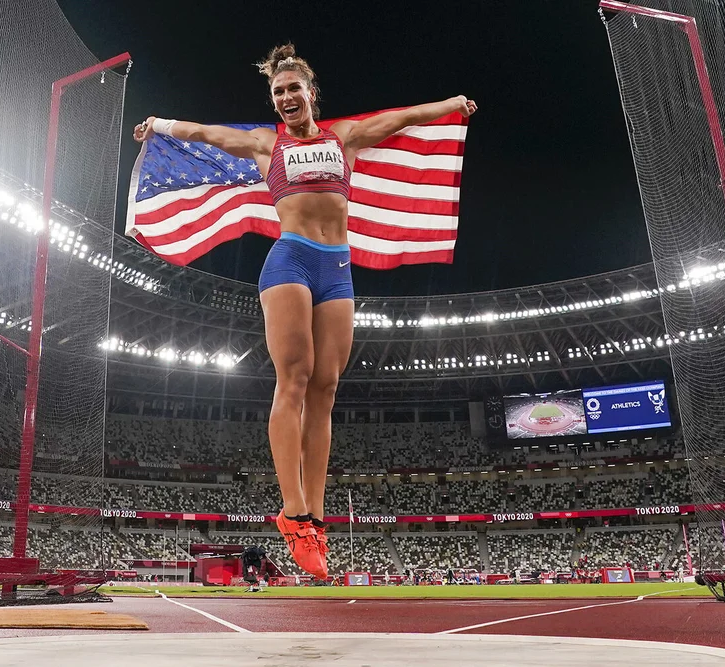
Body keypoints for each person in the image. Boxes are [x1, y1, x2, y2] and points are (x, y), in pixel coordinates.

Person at [134, 44, 477, 580]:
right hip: (289, 259)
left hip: (335, 265)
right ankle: (291, 511)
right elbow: (203, 133)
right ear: (274, 102)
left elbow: (404, 118)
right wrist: (159, 123)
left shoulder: (347, 140)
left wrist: (453, 103)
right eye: (278, 92)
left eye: (294, 89)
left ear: (311, 94)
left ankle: (316, 516)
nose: (287, 97)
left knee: (326, 388)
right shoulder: (263, 143)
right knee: (293, 378)